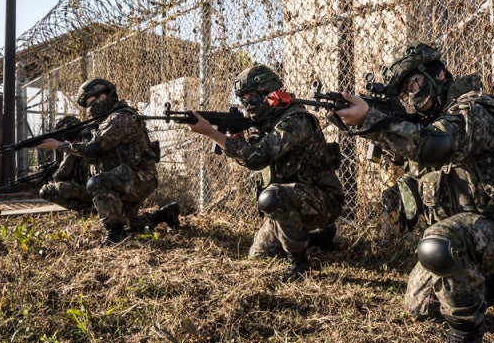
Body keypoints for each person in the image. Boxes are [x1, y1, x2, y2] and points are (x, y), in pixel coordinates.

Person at [335, 42, 494, 343]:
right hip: (464, 240)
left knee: (438, 243)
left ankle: (466, 341)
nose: (411, 96)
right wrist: (365, 126)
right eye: (403, 92)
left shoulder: (477, 110)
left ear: (438, 73)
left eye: (414, 84)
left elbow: (437, 146)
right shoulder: (425, 124)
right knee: (418, 304)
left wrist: (372, 119)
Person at [186, 64, 344, 282]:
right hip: (289, 203)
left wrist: (212, 133)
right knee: (259, 256)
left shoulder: (295, 120)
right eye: (243, 99)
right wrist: (238, 141)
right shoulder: (264, 123)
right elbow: (254, 158)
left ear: (269, 93)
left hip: (322, 201)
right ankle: (317, 239)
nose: (247, 104)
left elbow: (258, 157)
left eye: (252, 97)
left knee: (272, 196)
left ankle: (299, 264)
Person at [36, 78, 179, 245]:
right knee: (130, 225)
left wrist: (59, 145)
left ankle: (113, 237)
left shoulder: (120, 117)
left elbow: (94, 148)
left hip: (140, 178)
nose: (89, 110)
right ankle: (165, 214)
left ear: (103, 97)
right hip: (126, 177)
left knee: (98, 183)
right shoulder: (109, 119)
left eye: (90, 104)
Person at [38, 115, 93, 214]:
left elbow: (62, 173)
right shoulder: (88, 136)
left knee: (46, 191)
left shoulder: (76, 144)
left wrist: (53, 178)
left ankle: (83, 210)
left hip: (90, 190)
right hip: (97, 187)